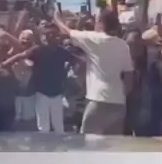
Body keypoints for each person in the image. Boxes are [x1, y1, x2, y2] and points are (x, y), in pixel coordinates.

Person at [55, 7, 133, 136]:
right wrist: (123, 94)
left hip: (98, 99)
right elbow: (129, 75)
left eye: (97, 20)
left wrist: (57, 19)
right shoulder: (123, 45)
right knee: (114, 143)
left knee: (89, 140)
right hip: (119, 102)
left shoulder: (93, 38)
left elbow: (67, 32)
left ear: (101, 22)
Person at [11, 22, 74, 134]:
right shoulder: (37, 50)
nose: (51, 37)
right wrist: (3, 64)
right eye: (48, 34)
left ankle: (60, 145)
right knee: (43, 127)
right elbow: (20, 56)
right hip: (41, 93)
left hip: (57, 93)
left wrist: (68, 70)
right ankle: (44, 145)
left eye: (54, 34)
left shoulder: (62, 52)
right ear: (44, 36)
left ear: (58, 36)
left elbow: (76, 60)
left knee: (59, 127)